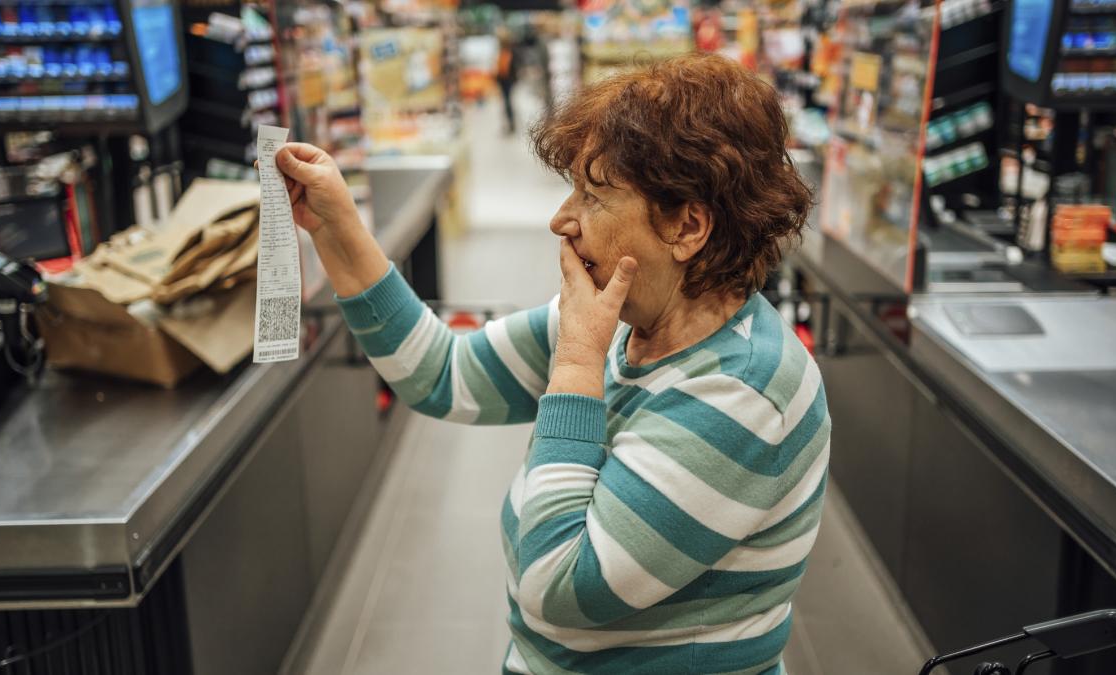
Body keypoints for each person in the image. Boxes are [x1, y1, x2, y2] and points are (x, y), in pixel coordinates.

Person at [272, 53, 828, 675]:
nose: (561, 220)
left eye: (592, 196)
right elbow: (441, 373)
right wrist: (336, 226)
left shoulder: (740, 393)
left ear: (688, 225)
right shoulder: (627, 323)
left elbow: (558, 587)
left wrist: (576, 366)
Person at [496, 29, 518, 134]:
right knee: (505, 102)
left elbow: (513, 68)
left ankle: (511, 123)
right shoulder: (502, 51)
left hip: (508, 81)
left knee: (508, 102)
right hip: (502, 80)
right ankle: (508, 123)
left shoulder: (510, 52)